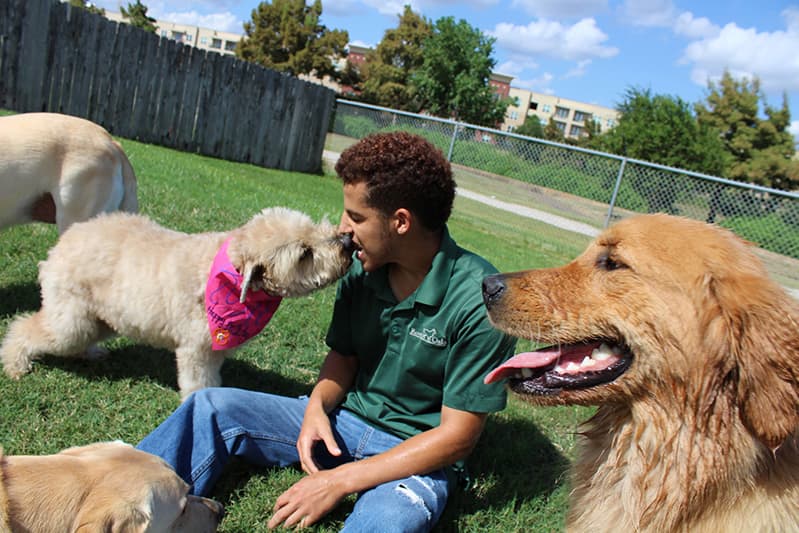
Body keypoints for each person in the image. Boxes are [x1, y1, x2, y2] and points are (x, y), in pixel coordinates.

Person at [137, 131, 516, 532]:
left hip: (417, 455)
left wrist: (338, 481)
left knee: (390, 518)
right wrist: (317, 407)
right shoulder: (362, 267)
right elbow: (343, 357)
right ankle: (121, 499)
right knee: (209, 408)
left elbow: (456, 438)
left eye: (355, 217)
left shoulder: (480, 299)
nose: (342, 230)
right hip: (343, 421)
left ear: (401, 222)